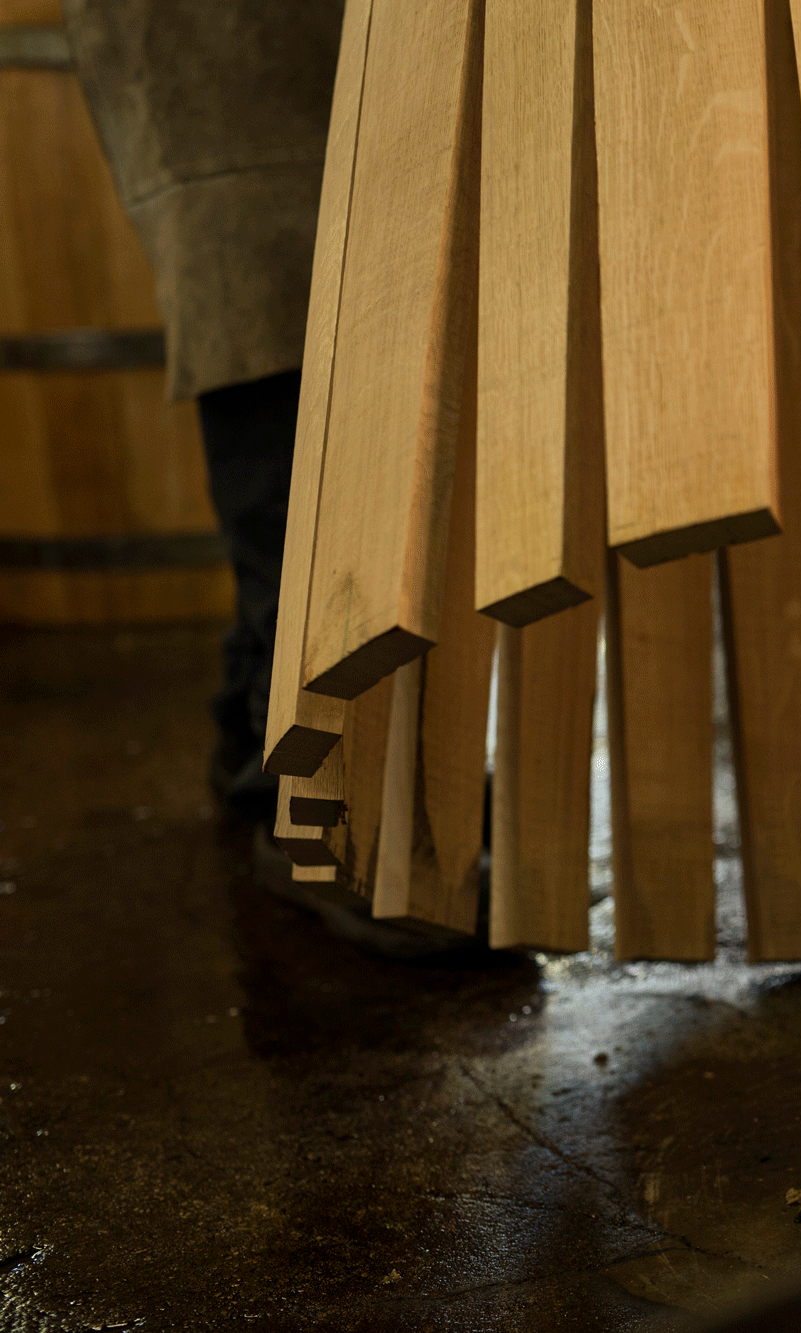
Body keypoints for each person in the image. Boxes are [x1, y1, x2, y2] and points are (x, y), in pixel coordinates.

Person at [65, 0, 472, 957]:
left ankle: (252, 733)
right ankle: (305, 804)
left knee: (327, 378)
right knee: (277, 388)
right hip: (222, 57)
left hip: (321, 52)